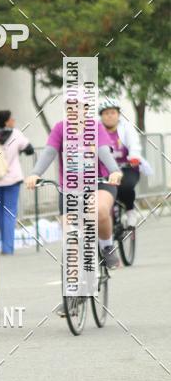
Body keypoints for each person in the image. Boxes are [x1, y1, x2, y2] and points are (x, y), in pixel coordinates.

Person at [26, 99, 123, 270]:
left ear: (86, 109)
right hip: (70, 187)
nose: (74, 110)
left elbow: (102, 150)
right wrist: (35, 174)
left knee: (98, 211)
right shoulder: (60, 128)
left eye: (78, 106)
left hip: (100, 182)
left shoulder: (95, 127)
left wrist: (114, 170)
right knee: (68, 228)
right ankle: (75, 282)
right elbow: (49, 152)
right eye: (70, 106)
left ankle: (107, 246)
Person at [0, 110, 34, 255]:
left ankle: (2, 246)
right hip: (12, 178)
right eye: (11, 118)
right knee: (10, 213)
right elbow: (29, 150)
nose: (14, 120)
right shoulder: (17, 134)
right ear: (6, 121)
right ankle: (8, 247)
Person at [99, 97, 151, 228]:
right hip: (105, 169)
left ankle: (130, 210)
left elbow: (134, 144)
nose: (109, 116)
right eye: (106, 113)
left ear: (118, 114)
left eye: (112, 113)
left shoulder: (126, 127)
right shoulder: (96, 129)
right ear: (101, 116)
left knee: (126, 186)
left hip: (127, 167)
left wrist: (134, 157)